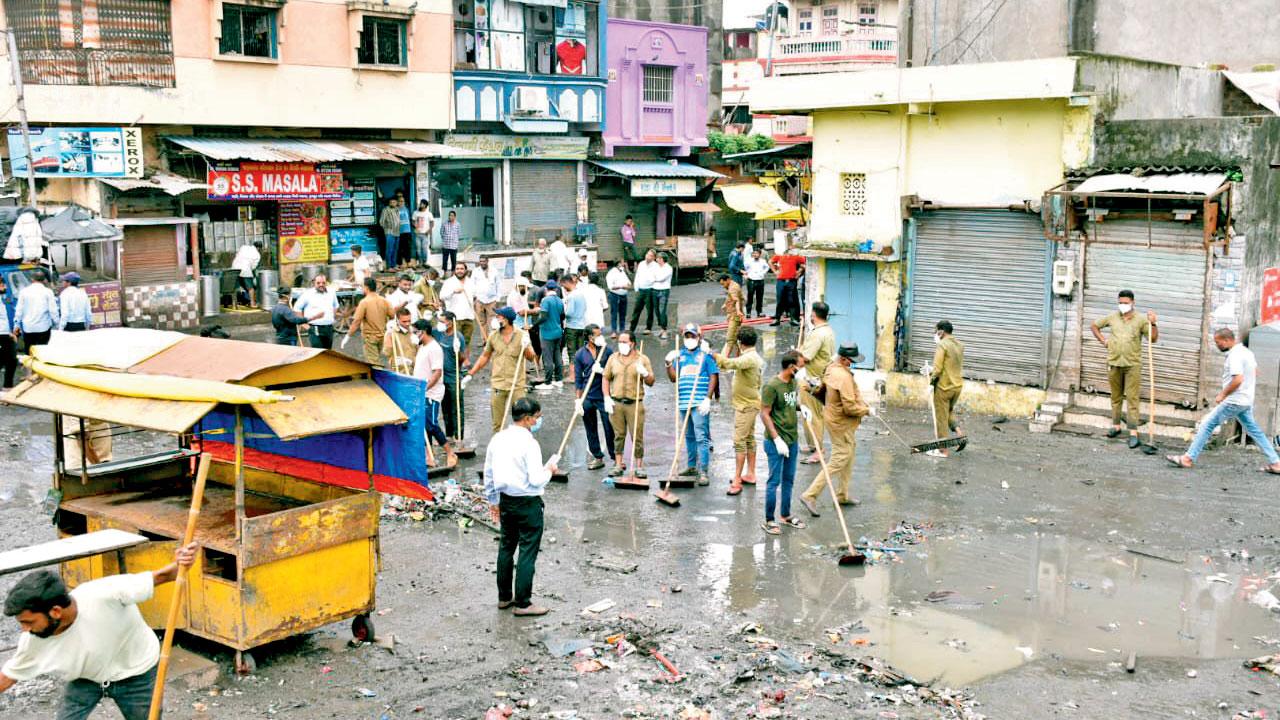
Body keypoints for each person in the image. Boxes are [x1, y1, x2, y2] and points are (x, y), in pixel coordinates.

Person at [0, 543, 197, 720]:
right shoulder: (33, 638)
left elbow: (164, 575)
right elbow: (9, 675)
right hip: (87, 679)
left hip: (137, 672)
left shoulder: (104, 593)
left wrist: (182, 562)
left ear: (56, 611)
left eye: (28, 622)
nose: (24, 629)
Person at [1167, 328, 1280, 474]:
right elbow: (1255, 371)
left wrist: (1223, 394)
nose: (1217, 345)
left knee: (1207, 425)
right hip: (1245, 400)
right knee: (1254, 431)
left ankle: (1187, 459)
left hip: (1235, 400)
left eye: (1218, 342)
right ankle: (1276, 462)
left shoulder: (1235, 356)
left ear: (1227, 340)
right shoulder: (1247, 352)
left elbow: (1238, 379)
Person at [483, 397, 557, 617]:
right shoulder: (529, 443)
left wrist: (493, 501)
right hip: (527, 502)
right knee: (527, 551)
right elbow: (536, 479)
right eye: (537, 417)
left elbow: (489, 473)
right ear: (527, 419)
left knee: (506, 547)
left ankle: (504, 597)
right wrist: (550, 470)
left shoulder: (498, 439)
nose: (538, 421)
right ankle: (523, 603)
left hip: (506, 499)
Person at [799, 344, 869, 516]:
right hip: (841, 422)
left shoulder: (831, 368)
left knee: (849, 453)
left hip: (834, 417)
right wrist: (866, 410)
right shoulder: (842, 376)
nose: (851, 364)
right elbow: (850, 407)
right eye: (851, 362)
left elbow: (821, 389)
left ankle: (842, 494)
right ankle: (810, 495)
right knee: (839, 459)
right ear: (844, 359)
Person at [1090, 290, 1159, 449]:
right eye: (1120, 302)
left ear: (1133, 303)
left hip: (1132, 365)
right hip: (1114, 362)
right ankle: (1116, 426)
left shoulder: (1141, 320)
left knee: (1132, 398)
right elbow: (1094, 325)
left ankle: (1133, 432)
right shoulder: (1113, 317)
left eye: (1126, 303)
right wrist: (1103, 341)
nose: (1123, 305)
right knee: (1115, 396)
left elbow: (1153, 339)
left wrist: (1153, 324)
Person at [465, 306, 537, 433]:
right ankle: (498, 449)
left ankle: (524, 447)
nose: (496, 319)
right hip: (498, 385)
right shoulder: (493, 336)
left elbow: (531, 358)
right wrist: (471, 373)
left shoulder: (521, 335)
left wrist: (526, 347)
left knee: (523, 422)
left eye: (499, 317)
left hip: (516, 386)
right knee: (497, 424)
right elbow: (484, 356)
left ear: (507, 320)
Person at [760, 350, 807, 535]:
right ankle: (769, 520)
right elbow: (764, 413)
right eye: (800, 366)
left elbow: (790, 403)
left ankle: (786, 515)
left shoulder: (793, 382)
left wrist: (801, 408)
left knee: (789, 479)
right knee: (774, 481)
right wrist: (776, 439)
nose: (802, 370)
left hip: (792, 439)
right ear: (791, 367)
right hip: (776, 442)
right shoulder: (771, 386)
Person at [665, 323, 719, 485]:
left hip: (699, 401)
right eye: (687, 336)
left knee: (701, 437)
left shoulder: (705, 355)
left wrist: (708, 398)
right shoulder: (679, 355)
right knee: (688, 436)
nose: (689, 339)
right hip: (684, 401)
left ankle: (703, 471)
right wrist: (668, 364)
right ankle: (691, 466)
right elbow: (674, 378)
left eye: (692, 336)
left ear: (699, 337)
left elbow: (713, 376)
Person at [714, 327, 764, 495]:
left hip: (746, 406)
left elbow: (729, 364)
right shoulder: (752, 357)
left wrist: (714, 355)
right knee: (749, 439)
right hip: (749, 403)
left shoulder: (749, 358)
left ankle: (737, 479)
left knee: (739, 441)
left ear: (740, 343)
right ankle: (750, 473)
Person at [603, 331, 654, 478]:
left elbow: (651, 381)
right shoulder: (613, 358)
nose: (621, 344)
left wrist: (645, 374)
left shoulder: (642, 359)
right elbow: (606, 378)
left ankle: (639, 466)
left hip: (635, 403)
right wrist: (606, 397)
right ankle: (618, 465)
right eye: (620, 341)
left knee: (637, 435)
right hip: (616, 403)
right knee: (618, 435)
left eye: (625, 342)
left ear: (633, 343)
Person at [412, 319, 456, 468]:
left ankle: (450, 452)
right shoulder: (422, 347)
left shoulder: (434, 348)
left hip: (431, 393)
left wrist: (426, 388)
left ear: (423, 332)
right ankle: (428, 456)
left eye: (416, 332)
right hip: (420, 392)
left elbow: (437, 372)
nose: (414, 335)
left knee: (431, 424)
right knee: (423, 425)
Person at [797, 301, 837, 463]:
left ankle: (819, 451)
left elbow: (806, 357)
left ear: (813, 315)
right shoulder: (828, 331)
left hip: (813, 380)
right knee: (810, 414)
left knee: (813, 416)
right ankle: (812, 445)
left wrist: (796, 353)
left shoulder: (817, 334)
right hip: (820, 378)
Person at [574, 324, 615, 470]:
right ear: (590, 338)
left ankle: (615, 457)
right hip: (587, 396)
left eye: (600, 334)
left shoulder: (607, 351)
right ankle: (598, 457)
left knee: (609, 427)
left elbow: (614, 372)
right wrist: (578, 400)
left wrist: (603, 370)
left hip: (604, 395)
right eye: (597, 335)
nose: (600, 337)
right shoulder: (580, 354)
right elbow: (578, 379)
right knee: (590, 428)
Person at [925, 320, 966, 458]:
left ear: (941, 332)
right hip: (957, 386)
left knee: (941, 417)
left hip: (944, 387)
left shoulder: (942, 345)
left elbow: (938, 368)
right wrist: (931, 370)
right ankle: (959, 433)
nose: (935, 334)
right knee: (948, 411)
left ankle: (943, 450)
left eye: (935, 331)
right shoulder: (960, 345)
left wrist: (931, 382)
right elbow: (950, 364)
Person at [434, 311, 469, 442]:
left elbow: (462, 358)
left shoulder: (458, 337)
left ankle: (459, 436)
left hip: (454, 377)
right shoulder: (439, 334)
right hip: (441, 377)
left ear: (450, 322)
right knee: (446, 408)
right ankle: (448, 434)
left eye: (442, 321)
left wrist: (458, 352)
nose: (440, 324)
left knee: (457, 408)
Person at [345, 277, 392, 364]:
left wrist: (348, 335)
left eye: (362, 286)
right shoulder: (384, 300)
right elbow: (392, 315)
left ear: (366, 288)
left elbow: (356, 322)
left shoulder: (364, 302)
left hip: (370, 337)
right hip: (382, 334)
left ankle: (378, 377)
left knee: (373, 363)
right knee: (378, 359)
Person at [15, 269, 59, 352]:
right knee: (43, 351)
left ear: (32, 279)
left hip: (28, 327)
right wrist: (57, 324)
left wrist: (16, 324)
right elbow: (53, 310)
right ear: (44, 280)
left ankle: (29, 364)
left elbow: (19, 310)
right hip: (43, 327)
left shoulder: (23, 292)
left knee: (29, 350)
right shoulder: (48, 292)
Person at [293, 274, 339, 349]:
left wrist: (331, 317)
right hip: (314, 328)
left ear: (326, 283)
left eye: (323, 283)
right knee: (317, 353)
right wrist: (304, 323)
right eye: (318, 283)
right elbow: (297, 308)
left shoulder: (331, 292)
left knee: (328, 353)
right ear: (314, 283)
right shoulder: (308, 294)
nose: (321, 285)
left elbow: (336, 306)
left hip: (329, 328)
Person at [440, 262, 477, 350]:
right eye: (457, 269)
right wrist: (453, 291)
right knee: (456, 342)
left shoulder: (471, 282)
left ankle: (465, 361)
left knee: (467, 342)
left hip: (469, 317)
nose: (459, 271)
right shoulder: (449, 282)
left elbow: (475, 296)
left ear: (465, 270)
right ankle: (456, 362)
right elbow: (442, 296)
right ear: (454, 271)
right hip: (455, 318)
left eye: (461, 269)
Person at [537, 280, 566, 389]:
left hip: (547, 332)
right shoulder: (559, 300)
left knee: (547, 356)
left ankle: (548, 382)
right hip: (558, 331)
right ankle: (559, 379)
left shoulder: (545, 300)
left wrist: (533, 325)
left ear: (546, 289)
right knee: (557, 355)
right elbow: (562, 316)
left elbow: (543, 317)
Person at [561, 274, 588, 381]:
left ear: (568, 282)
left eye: (564, 285)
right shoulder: (581, 294)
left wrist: (563, 311)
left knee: (572, 352)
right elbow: (585, 308)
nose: (564, 288)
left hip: (572, 326)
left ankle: (572, 376)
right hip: (582, 325)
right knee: (580, 350)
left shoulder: (571, 296)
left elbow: (569, 312)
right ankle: (581, 374)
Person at [770, 246, 805, 326]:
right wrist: (775, 271)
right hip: (781, 281)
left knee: (791, 300)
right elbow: (770, 261)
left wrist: (798, 272)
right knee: (780, 300)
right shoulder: (779, 256)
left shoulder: (796, 257)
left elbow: (804, 263)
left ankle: (793, 319)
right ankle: (777, 319)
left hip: (791, 281)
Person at [470, 256, 502, 342]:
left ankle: (492, 340)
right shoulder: (476, 271)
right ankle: (484, 340)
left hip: (492, 300)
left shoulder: (494, 271)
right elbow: (472, 284)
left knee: (492, 321)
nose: (482, 263)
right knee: (481, 321)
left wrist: (498, 299)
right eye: (480, 261)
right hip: (479, 299)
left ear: (487, 261)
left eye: (484, 261)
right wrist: (474, 297)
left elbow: (498, 284)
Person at [629, 249, 659, 336]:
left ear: (654, 258)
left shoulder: (655, 266)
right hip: (640, 290)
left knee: (650, 310)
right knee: (636, 310)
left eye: (650, 255)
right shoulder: (641, 264)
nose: (647, 257)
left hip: (649, 290)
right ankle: (632, 328)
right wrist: (636, 288)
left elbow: (655, 278)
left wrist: (649, 281)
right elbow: (637, 276)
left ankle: (648, 328)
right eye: (647, 254)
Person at [383, 306, 418, 373]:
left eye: (409, 321)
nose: (407, 324)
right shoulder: (392, 333)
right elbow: (387, 353)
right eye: (404, 321)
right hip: (399, 370)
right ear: (397, 320)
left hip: (414, 369)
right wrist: (388, 338)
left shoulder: (414, 331)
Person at [719, 272, 745, 357]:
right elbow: (731, 298)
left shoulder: (732, 288)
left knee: (730, 339)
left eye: (723, 283)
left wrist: (738, 311)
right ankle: (739, 357)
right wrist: (725, 304)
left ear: (728, 280)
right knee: (736, 339)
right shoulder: (732, 285)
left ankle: (724, 359)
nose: (723, 286)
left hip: (735, 316)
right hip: (732, 315)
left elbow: (736, 300)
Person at [231, 240, 261, 306]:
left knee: (234, 287)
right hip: (245, 269)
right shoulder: (257, 255)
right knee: (250, 287)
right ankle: (252, 303)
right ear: (258, 248)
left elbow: (237, 255)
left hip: (235, 268)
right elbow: (253, 267)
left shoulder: (243, 247)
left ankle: (234, 304)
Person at [651, 252, 674, 341]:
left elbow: (661, 278)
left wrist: (654, 278)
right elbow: (651, 276)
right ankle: (661, 328)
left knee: (662, 311)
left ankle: (664, 330)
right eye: (657, 258)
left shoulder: (668, 268)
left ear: (663, 259)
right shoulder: (655, 267)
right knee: (656, 310)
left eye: (659, 258)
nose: (657, 259)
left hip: (664, 290)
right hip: (654, 289)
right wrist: (654, 278)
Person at [605, 260, 630, 338]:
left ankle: (622, 330)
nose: (624, 263)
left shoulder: (622, 271)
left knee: (623, 314)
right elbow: (610, 286)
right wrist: (622, 286)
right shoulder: (611, 273)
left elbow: (628, 282)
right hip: (615, 295)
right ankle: (614, 331)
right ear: (618, 263)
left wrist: (627, 285)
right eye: (622, 262)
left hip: (623, 295)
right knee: (614, 314)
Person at [0, 275, 17, 387]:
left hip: (4, 333)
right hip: (2, 334)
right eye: (2, 284)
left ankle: (7, 386)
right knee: (11, 360)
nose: (4, 286)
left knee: (8, 360)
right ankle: (7, 386)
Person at [744, 247, 770, 317]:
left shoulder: (763, 261)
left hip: (760, 280)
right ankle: (748, 312)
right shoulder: (749, 261)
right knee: (750, 297)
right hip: (751, 280)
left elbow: (767, 267)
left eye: (757, 253)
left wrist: (763, 273)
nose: (755, 255)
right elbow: (745, 268)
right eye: (754, 253)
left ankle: (759, 312)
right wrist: (747, 274)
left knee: (760, 297)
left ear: (760, 254)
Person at [379, 198, 402, 268]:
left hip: (397, 232)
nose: (392, 203)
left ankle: (393, 265)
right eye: (391, 202)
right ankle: (389, 266)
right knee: (389, 250)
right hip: (389, 233)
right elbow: (381, 222)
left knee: (395, 250)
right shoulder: (385, 210)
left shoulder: (397, 209)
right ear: (389, 203)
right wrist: (388, 228)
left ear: (396, 203)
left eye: (394, 202)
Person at [396, 194, 413, 266]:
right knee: (399, 248)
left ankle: (408, 262)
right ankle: (399, 264)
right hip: (399, 231)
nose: (401, 202)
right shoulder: (395, 209)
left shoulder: (407, 209)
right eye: (400, 201)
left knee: (407, 248)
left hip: (407, 231)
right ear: (397, 202)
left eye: (403, 201)